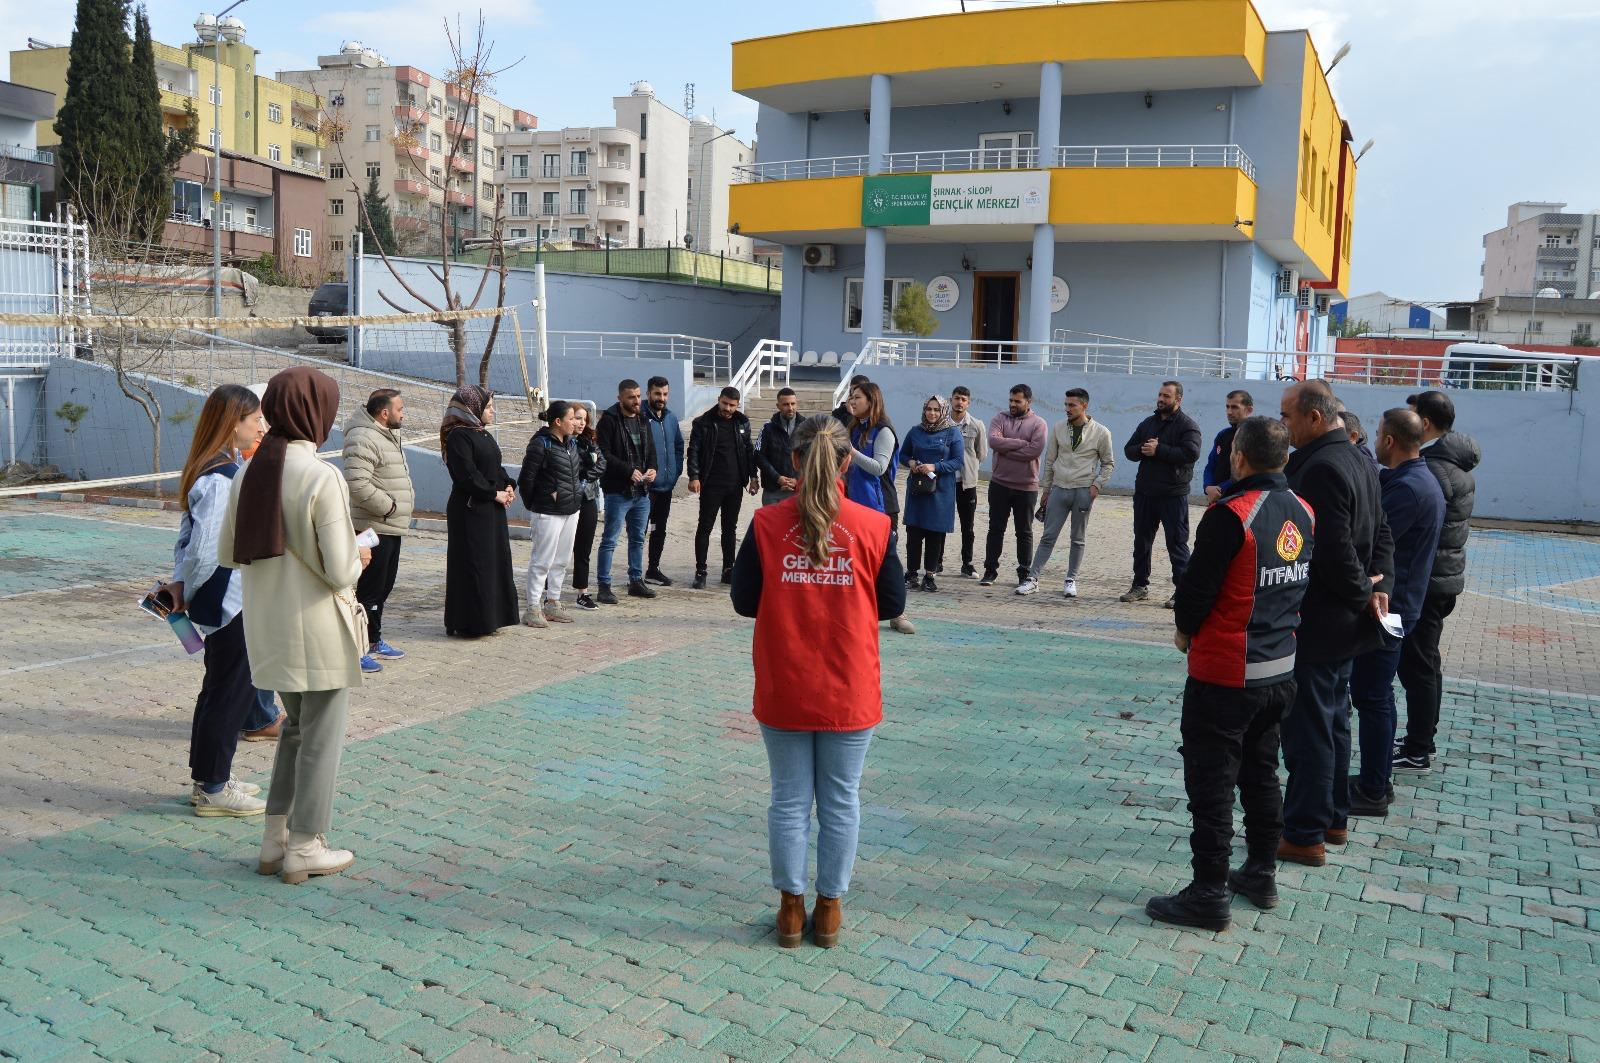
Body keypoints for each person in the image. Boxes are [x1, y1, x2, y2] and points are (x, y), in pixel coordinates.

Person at [730, 414, 907, 949]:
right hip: (849, 686)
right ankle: (829, 911)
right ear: (847, 461)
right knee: (840, 800)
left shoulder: (766, 523)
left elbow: (743, 601)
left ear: (794, 461)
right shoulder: (874, 525)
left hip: (785, 682)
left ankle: (790, 911)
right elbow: (894, 603)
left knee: (787, 801)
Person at [1146, 416, 1314, 931]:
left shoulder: (1231, 515)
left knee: (1212, 785)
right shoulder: (1304, 510)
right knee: (1262, 773)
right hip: (1280, 671)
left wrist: (1183, 630)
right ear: (1285, 459)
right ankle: (1260, 872)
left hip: (1226, 674)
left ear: (1238, 457)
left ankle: (1208, 891)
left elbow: (1196, 590)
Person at [220, 366, 370, 884]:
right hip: (318, 629)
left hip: (268, 628)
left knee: (295, 733)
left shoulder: (248, 472)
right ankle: (306, 844)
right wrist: (358, 557)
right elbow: (340, 568)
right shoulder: (319, 474)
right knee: (322, 737)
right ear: (315, 412)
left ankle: (275, 840)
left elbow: (229, 553)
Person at [1277, 379, 1394, 867]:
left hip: (1322, 619)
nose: (1283, 426)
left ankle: (1305, 833)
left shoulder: (1322, 466)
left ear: (1315, 418)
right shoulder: (1356, 457)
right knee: (1334, 721)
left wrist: (1365, 591)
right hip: (1344, 618)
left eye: (1287, 417)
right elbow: (1382, 533)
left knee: (1310, 730)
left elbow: (1332, 549)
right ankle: (1333, 817)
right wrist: (1377, 588)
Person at [170, 384, 269, 817]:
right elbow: (202, 549)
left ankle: (210, 777)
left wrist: (181, 585)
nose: (260, 427)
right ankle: (213, 787)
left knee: (220, 689)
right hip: (228, 600)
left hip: (220, 597)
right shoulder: (221, 476)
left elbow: (186, 542)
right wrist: (185, 591)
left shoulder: (216, 468)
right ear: (234, 423)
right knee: (230, 691)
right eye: (254, 419)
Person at [1348, 409, 1444, 817]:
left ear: (1388, 440)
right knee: (1376, 695)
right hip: (1402, 603)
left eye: (1377, 433)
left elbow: (1373, 539)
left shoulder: (1409, 488)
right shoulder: (1415, 479)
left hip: (1392, 607)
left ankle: (1373, 787)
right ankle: (1376, 779)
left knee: (1372, 695)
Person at [1394, 391, 1479, 775]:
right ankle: (1420, 738)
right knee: (1425, 663)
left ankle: (1417, 750)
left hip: (1426, 583)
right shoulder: (1453, 465)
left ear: (1424, 424)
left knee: (1419, 667)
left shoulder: (1432, 469)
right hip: (1441, 580)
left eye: (1411, 416)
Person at [342, 387, 414, 674]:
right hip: (375, 527)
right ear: (384, 413)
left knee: (382, 589)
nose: (403, 413)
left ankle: (373, 640)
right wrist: (390, 508)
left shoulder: (388, 435)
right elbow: (358, 485)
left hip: (391, 527)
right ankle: (357, 647)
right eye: (400, 409)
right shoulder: (363, 437)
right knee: (368, 592)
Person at [1019, 387, 1114, 599]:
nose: (1067, 409)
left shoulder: (1101, 432)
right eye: (1066, 404)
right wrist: (1047, 490)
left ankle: (1071, 580)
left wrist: (1096, 486)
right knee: (1048, 536)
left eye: (1072, 405)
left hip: (1083, 491)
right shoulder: (1058, 428)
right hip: (1059, 489)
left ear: (1084, 406)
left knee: (1077, 539)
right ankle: (1033, 579)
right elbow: (1050, 460)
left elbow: (1108, 463)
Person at [441, 385, 520, 637]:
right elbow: (466, 475)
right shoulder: (458, 436)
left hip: (490, 510)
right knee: (474, 564)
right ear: (471, 409)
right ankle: (470, 622)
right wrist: (493, 493)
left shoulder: (482, 433)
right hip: (470, 511)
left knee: (493, 563)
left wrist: (508, 486)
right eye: (488, 407)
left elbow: (495, 467)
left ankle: (491, 618)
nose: (492, 411)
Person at [1120, 380, 1203, 608]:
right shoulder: (1148, 423)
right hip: (1146, 493)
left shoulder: (1188, 426)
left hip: (1173, 495)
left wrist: (1160, 450)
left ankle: (1181, 591)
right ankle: (1139, 586)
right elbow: (1129, 450)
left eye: (1166, 396)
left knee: (1177, 544)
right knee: (1142, 542)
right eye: (1160, 394)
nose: (1161, 399)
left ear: (1178, 400)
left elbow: (1191, 453)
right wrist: (1143, 450)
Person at [845, 381, 913, 635]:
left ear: (871, 401)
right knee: (858, 561)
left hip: (881, 506)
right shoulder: (854, 429)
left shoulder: (884, 431)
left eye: (857, 397)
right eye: (851, 397)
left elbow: (879, 467)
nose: (852, 401)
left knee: (887, 561)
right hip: (855, 505)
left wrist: (851, 451)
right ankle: (861, 610)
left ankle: (898, 612)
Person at [237, 382, 284, 744]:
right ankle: (258, 718)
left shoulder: (254, 451)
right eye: (258, 418)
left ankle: (255, 713)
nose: (262, 425)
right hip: (247, 575)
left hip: (248, 572)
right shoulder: (249, 458)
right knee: (252, 646)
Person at [518, 400, 586, 628]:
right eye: (572, 418)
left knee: (562, 559)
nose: (576, 422)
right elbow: (526, 480)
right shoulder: (541, 444)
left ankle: (553, 602)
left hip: (571, 510)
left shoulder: (571, 443)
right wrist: (542, 501)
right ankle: (532, 608)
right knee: (542, 561)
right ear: (558, 421)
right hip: (548, 512)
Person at [688, 386, 760, 588]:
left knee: (730, 528)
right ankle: (700, 571)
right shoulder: (703, 423)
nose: (727, 408)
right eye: (724, 403)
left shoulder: (742, 422)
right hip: (711, 484)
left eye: (732, 405)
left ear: (737, 405)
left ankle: (728, 569)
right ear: (719, 399)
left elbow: (748, 451)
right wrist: (694, 476)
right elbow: (693, 450)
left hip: (735, 485)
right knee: (705, 527)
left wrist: (753, 477)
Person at [596, 379, 659, 603]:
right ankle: (603, 585)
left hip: (642, 492)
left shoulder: (643, 418)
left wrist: (653, 469)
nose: (636, 401)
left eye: (638, 396)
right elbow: (603, 454)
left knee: (638, 539)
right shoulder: (608, 421)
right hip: (617, 491)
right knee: (610, 539)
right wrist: (627, 471)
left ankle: (636, 580)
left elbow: (651, 450)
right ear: (620, 397)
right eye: (631, 397)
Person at [981, 384, 1048, 588]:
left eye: (1017, 401)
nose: (1012, 404)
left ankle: (1024, 572)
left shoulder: (1039, 424)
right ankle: (990, 570)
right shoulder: (999, 418)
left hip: (1026, 487)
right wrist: (1021, 443)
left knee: (1024, 531)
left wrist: (1006, 448)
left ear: (1028, 402)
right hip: (999, 483)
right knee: (995, 529)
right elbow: (993, 441)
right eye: (1011, 400)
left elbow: (1034, 451)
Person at [898, 395, 964, 591]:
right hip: (918, 489)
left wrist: (934, 466)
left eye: (936, 409)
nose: (932, 413)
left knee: (935, 534)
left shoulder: (953, 433)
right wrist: (910, 462)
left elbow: (958, 461)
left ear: (943, 410)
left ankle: (929, 575)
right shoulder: (915, 431)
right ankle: (911, 573)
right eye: (929, 409)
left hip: (941, 491)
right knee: (914, 532)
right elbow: (903, 454)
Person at [643, 376, 685, 586]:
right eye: (657, 393)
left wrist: (675, 472)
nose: (662, 398)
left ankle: (653, 569)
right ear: (649, 393)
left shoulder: (671, 418)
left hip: (665, 487)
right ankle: (634, 575)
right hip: (645, 487)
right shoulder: (640, 417)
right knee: (638, 532)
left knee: (659, 529)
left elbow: (678, 447)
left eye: (665, 394)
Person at [570, 402, 607, 611]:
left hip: (588, 498)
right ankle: (548, 590)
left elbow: (602, 464)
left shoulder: (590, 441)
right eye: (577, 417)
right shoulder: (562, 441)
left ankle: (582, 592)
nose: (581, 422)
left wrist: (585, 476)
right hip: (567, 500)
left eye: (584, 418)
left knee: (583, 548)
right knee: (560, 548)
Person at [949, 386, 989, 577]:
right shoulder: (942, 423)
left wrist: (969, 466)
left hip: (967, 483)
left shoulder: (976, 425)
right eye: (957, 398)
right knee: (941, 523)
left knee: (968, 526)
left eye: (964, 399)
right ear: (951, 400)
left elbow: (982, 454)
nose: (960, 402)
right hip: (945, 482)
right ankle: (937, 562)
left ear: (969, 402)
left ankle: (968, 563)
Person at [1202, 390, 1253, 503]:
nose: (1229, 412)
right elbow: (1211, 465)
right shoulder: (1222, 435)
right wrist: (1208, 487)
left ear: (1248, 410)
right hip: (1216, 498)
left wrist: (1220, 489)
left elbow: (1248, 473)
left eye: (1234, 407)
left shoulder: (1254, 436)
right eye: (1227, 407)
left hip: (1239, 500)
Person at [756, 387, 801, 506]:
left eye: (793, 404)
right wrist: (777, 478)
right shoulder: (767, 427)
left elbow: (812, 457)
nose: (790, 408)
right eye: (786, 404)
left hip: (798, 490)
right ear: (778, 406)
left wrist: (798, 479)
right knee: (771, 524)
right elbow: (759, 456)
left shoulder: (807, 428)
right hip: (773, 490)